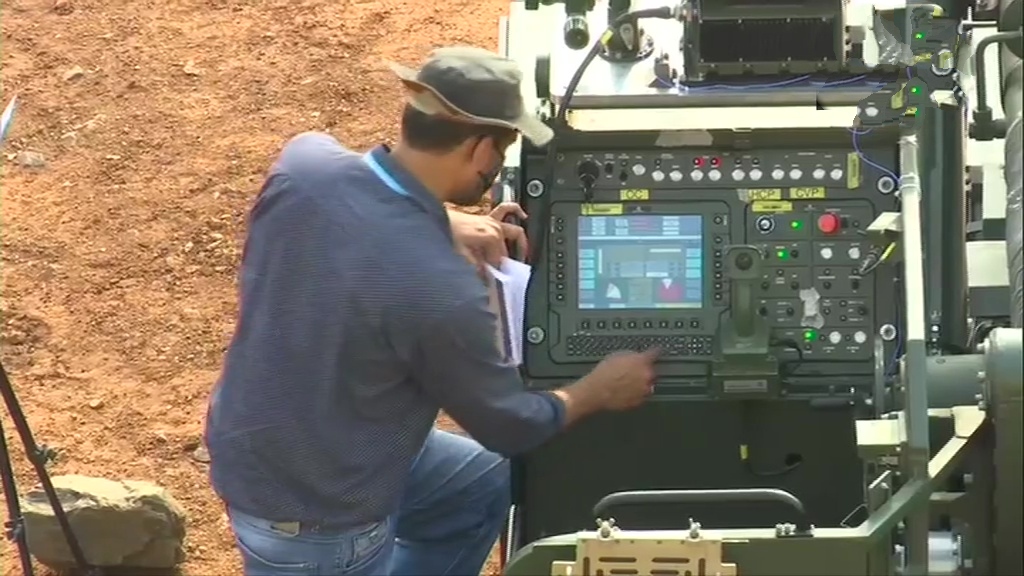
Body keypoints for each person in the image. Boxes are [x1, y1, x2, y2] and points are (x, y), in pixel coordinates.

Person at [204, 46, 660, 576]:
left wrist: (440, 218)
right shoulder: (439, 288)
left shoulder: (303, 167)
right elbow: (510, 425)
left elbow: (366, 193)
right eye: (505, 148)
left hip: (265, 441)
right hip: (319, 519)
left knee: (481, 479)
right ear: (483, 149)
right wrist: (599, 388)